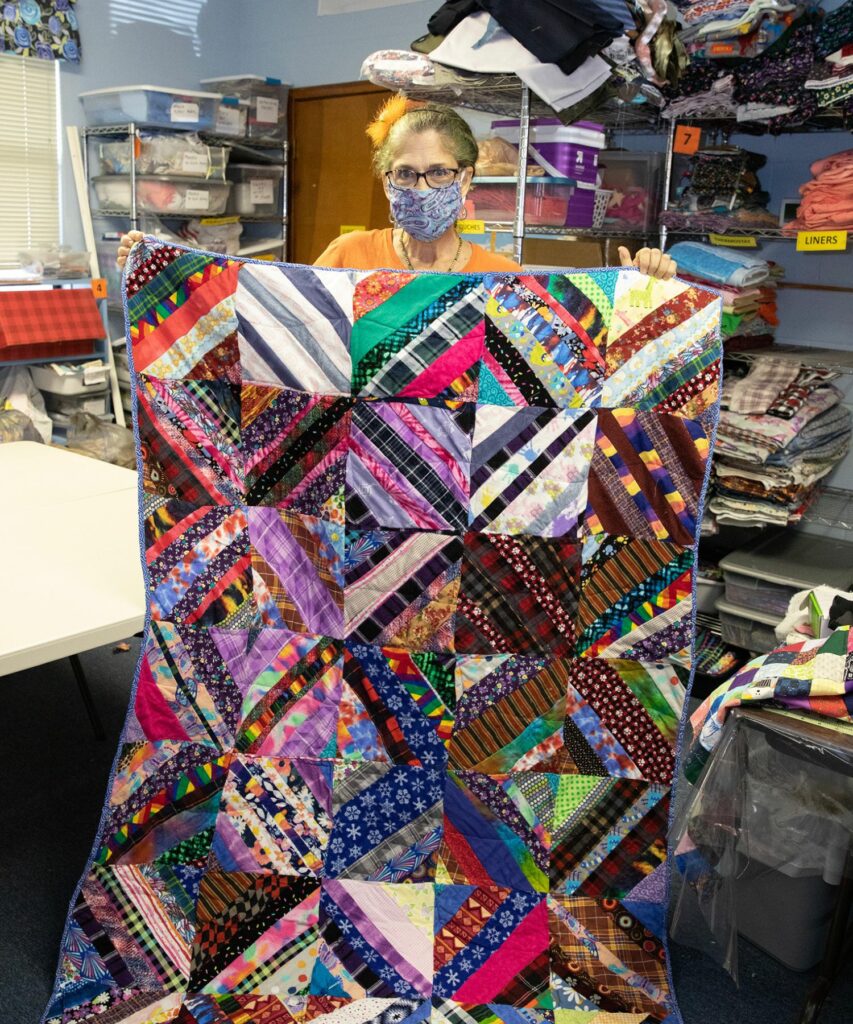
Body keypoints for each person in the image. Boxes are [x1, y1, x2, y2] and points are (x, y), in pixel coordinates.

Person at [116, 95, 677, 279]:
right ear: (387, 182)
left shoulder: (501, 277)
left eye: (439, 173)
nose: (421, 187)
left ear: (466, 179)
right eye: (404, 173)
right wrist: (163, 268)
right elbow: (275, 317)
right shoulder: (348, 255)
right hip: (356, 469)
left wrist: (643, 290)